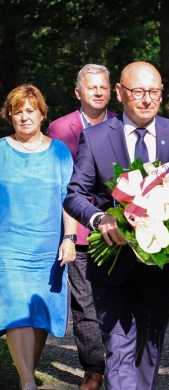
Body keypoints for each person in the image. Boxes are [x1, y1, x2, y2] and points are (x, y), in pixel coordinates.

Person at [63, 61, 169, 390]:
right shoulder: (95, 138)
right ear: (121, 93)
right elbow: (75, 195)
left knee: (150, 349)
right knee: (118, 348)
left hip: (162, 263)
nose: (146, 99)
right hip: (111, 261)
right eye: (138, 91)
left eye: (153, 92)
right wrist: (99, 218)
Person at [0, 84, 78, 390]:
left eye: (30, 111)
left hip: (48, 247)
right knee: (18, 310)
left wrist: (69, 238)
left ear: (42, 115)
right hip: (8, 247)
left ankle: (27, 370)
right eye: (17, 112)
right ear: (9, 117)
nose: (24, 118)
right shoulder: (1, 151)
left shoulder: (59, 152)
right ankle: (28, 382)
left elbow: (68, 198)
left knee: (41, 313)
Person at [48, 64, 116, 390]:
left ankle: (119, 364)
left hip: (117, 231)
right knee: (84, 302)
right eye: (92, 88)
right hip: (77, 227)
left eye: (103, 86)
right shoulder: (60, 129)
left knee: (117, 300)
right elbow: (62, 188)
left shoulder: (122, 125)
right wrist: (68, 235)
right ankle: (94, 369)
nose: (98, 92)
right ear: (79, 92)